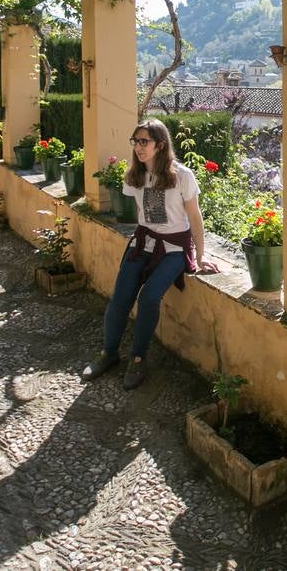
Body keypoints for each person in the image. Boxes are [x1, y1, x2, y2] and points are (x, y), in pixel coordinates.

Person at [82, 119, 216, 389]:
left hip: (174, 249)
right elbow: (143, 217)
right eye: (136, 141)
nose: (138, 147)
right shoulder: (135, 174)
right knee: (120, 297)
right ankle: (108, 354)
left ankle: (138, 359)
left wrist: (200, 256)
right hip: (143, 244)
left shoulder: (182, 175)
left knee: (149, 297)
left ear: (160, 144)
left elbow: (194, 216)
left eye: (145, 141)